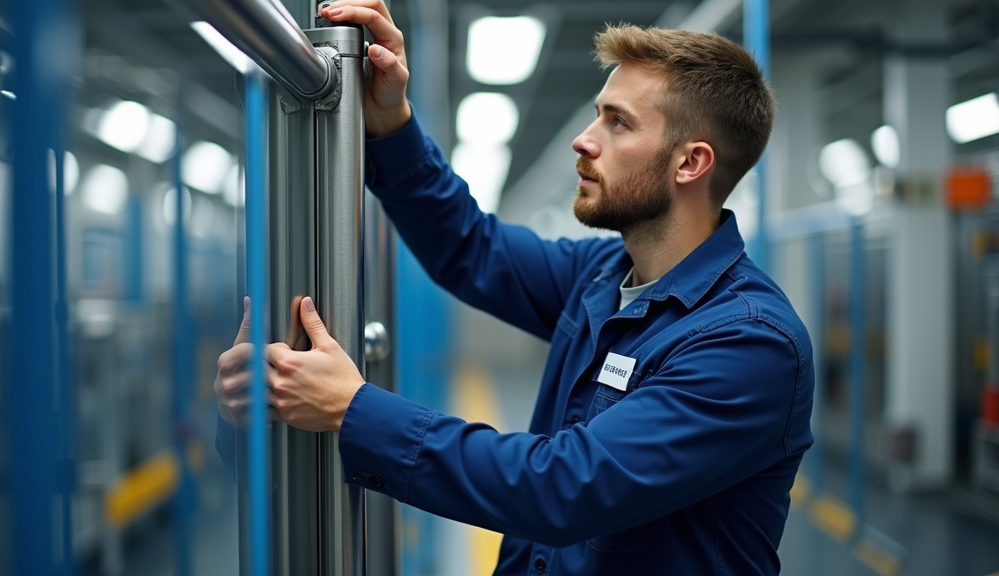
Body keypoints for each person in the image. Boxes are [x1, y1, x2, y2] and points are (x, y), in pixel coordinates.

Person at [214, 1, 814, 573]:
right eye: (598, 113)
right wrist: (391, 124)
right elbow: (471, 248)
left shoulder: (749, 343)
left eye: (618, 123)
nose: (585, 139)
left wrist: (353, 409)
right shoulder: (601, 276)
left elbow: (563, 489)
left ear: (690, 163)